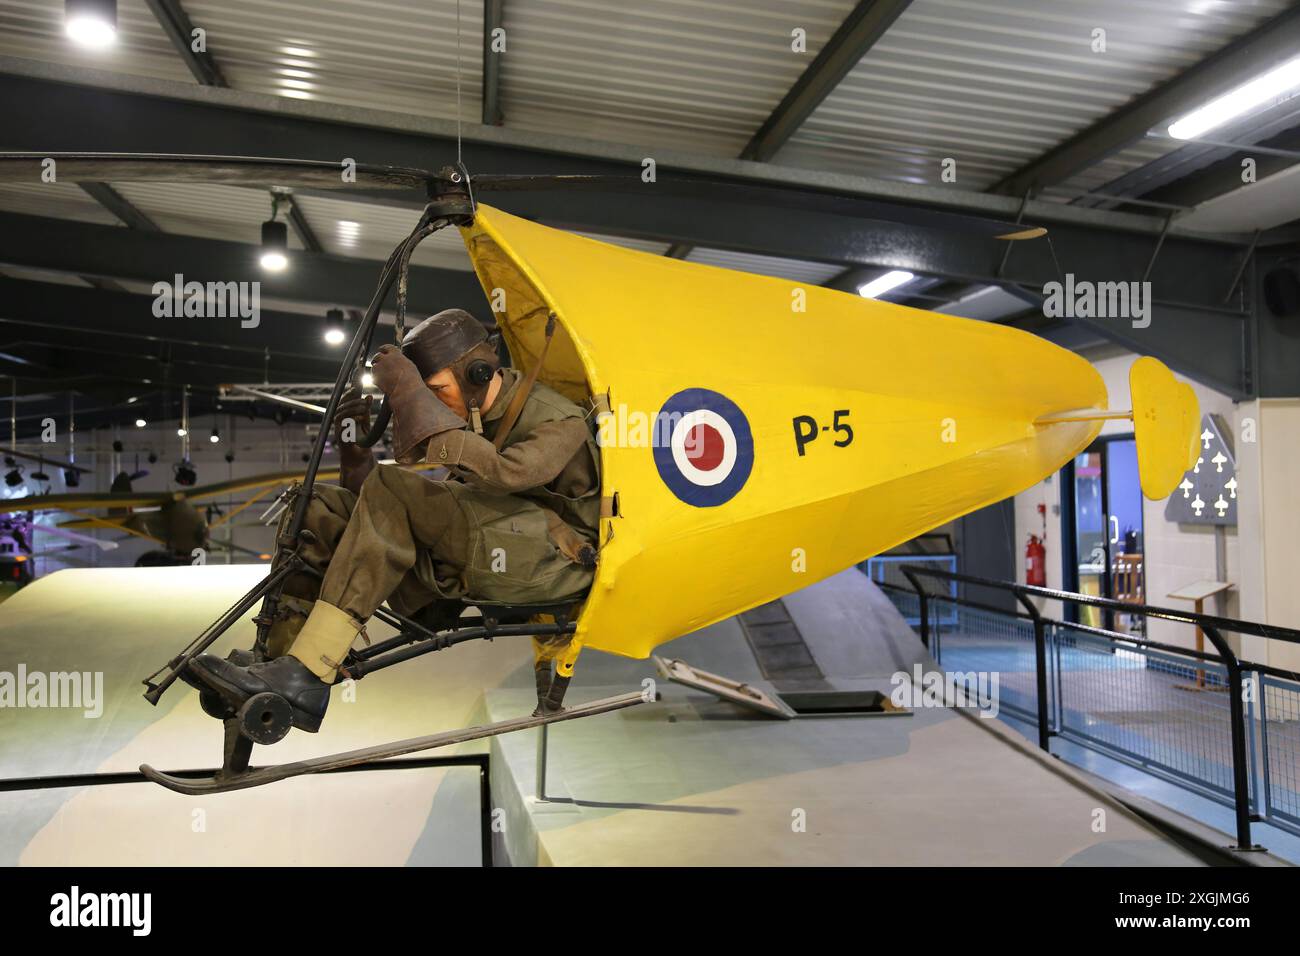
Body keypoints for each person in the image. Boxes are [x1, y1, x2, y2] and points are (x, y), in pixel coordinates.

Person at [187, 309, 601, 731]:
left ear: (478, 373)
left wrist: (407, 390)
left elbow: (502, 474)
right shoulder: (473, 419)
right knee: (319, 507)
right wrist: (355, 452)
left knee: (393, 483)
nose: (435, 402)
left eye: (437, 390)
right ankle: (280, 663)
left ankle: (309, 672)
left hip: (554, 562)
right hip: (498, 540)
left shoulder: (558, 418)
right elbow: (377, 507)